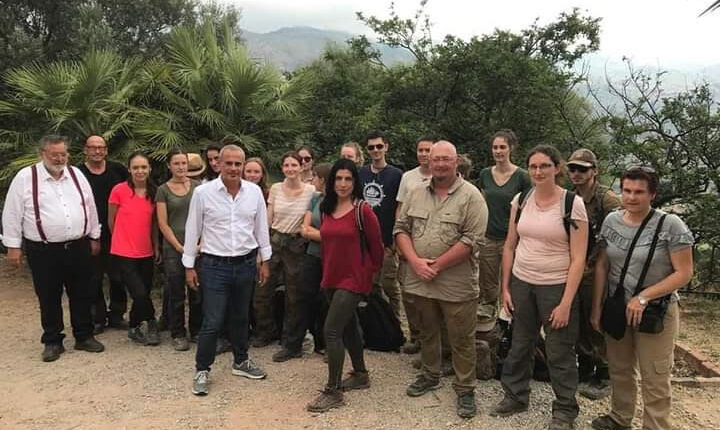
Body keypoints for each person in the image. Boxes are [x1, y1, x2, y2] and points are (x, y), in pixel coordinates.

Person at [491, 145, 588, 430]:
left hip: (556, 285)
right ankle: (516, 395)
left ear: (557, 168)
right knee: (520, 342)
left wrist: (567, 302)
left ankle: (565, 410)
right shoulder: (521, 200)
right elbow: (510, 245)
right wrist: (505, 288)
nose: (538, 172)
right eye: (533, 166)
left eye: (545, 166)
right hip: (522, 282)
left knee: (559, 349)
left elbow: (579, 258)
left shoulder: (572, 204)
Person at [590, 167, 693, 430]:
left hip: (655, 310)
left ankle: (656, 425)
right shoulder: (612, 221)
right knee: (620, 367)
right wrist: (596, 307)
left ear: (652, 194)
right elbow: (602, 265)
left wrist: (644, 297)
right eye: (627, 191)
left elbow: (684, 273)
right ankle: (620, 417)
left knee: (654, 376)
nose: (632, 197)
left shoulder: (670, 225)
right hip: (617, 305)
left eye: (639, 192)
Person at [395, 140, 489, 419]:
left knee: (461, 338)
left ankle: (465, 389)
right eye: (435, 159)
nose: (439, 164)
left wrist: (436, 265)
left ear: (456, 161)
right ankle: (430, 374)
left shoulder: (472, 197)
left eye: (445, 159)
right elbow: (401, 228)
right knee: (427, 332)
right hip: (420, 278)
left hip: (456, 283)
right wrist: (414, 261)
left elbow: (472, 240)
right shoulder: (415, 192)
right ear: (429, 162)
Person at [2, 135, 105, 362]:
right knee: (48, 295)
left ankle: (84, 336)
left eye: (63, 154)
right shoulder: (26, 178)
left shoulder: (76, 175)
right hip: (43, 249)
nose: (59, 159)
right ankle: (52, 340)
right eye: (54, 154)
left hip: (78, 245)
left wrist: (95, 235)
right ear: (43, 154)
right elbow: (12, 212)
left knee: (81, 292)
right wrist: (13, 245)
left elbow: (90, 206)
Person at [184, 144, 271, 396]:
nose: (234, 168)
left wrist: (265, 260)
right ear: (219, 164)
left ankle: (241, 361)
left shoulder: (254, 192)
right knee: (212, 320)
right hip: (214, 266)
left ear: (243, 165)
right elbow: (193, 229)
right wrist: (189, 265)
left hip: (245, 264)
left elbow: (261, 228)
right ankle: (202, 369)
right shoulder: (203, 193)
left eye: (238, 164)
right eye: (229, 163)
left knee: (241, 316)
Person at [306, 158, 384, 412]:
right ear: (331, 181)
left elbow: (377, 249)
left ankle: (333, 390)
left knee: (331, 330)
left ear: (355, 182)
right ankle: (360, 374)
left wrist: (366, 275)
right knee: (348, 326)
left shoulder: (363, 210)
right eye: (338, 178)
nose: (342, 183)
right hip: (331, 275)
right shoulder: (327, 207)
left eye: (348, 179)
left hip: (353, 279)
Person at [566, 148, 621, 399]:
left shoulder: (606, 200)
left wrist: (594, 265)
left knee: (595, 318)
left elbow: (614, 238)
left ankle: (604, 371)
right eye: (572, 169)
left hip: (599, 266)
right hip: (576, 266)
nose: (576, 174)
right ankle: (585, 365)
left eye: (582, 169)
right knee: (577, 319)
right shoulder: (570, 198)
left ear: (594, 171)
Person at [476, 130, 532, 365]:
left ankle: (515, 338)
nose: (498, 151)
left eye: (502, 147)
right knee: (488, 290)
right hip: (488, 237)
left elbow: (529, 206)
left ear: (511, 148)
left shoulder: (522, 177)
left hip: (513, 240)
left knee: (511, 288)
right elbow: (479, 201)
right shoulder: (485, 174)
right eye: (495, 147)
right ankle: (489, 341)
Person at [255, 152, 315, 359]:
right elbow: (268, 217)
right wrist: (262, 247)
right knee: (263, 289)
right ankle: (266, 331)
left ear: (301, 167)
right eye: (286, 165)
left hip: (297, 244)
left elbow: (312, 218)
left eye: (294, 165)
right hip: (275, 240)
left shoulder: (311, 191)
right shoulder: (276, 188)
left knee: (294, 295)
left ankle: (291, 342)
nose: (290, 169)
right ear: (282, 168)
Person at [278, 162, 332, 361]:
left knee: (327, 301)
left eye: (316, 177)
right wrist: (322, 234)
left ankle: (327, 345)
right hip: (312, 255)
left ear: (323, 180)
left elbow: (337, 235)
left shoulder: (339, 202)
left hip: (332, 259)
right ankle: (293, 345)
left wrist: (318, 234)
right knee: (301, 298)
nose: (313, 180)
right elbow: (304, 228)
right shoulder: (316, 198)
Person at [77, 135, 129, 334]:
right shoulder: (77, 173)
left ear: (106, 150)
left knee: (119, 277)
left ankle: (117, 314)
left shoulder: (118, 170)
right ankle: (97, 317)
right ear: (86, 150)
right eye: (93, 148)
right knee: (93, 277)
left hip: (117, 233)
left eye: (101, 148)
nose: (97, 151)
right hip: (89, 235)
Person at [109, 152, 161, 346]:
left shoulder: (154, 192)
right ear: (129, 169)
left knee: (144, 292)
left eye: (143, 167)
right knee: (138, 293)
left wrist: (156, 246)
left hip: (146, 250)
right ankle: (152, 321)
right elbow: (111, 219)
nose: (140, 171)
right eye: (136, 167)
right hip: (123, 251)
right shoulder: (119, 190)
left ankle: (133, 326)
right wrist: (120, 239)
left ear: (149, 169)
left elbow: (155, 223)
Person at [156, 151, 202, 351]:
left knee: (197, 290)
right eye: (176, 163)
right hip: (174, 247)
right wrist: (179, 247)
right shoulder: (163, 190)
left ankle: (197, 330)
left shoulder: (198, 188)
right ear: (169, 165)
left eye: (184, 163)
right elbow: (162, 223)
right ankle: (178, 333)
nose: (181, 167)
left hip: (198, 246)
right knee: (176, 291)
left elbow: (207, 217)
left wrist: (199, 244)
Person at [359, 131, 404, 320]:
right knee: (370, 284)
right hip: (364, 240)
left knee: (389, 284)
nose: (375, 150)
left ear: (386, 146)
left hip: (386, 239)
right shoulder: (362, 173)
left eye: (379, 146)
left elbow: (400, 207)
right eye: (371, 147)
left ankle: (396, 322)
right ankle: (376, 322)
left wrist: (396, 238)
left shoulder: (397, 175)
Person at [395, 137, 434, 354]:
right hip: (409, 238)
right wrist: (399, 239)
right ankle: (416, 335)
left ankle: (432, 340)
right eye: (420, 150)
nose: (424, 154)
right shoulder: (408, 177)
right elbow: (399, 208)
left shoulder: (440, 177)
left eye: (428, 150)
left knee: (429, 293)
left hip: (431, 240)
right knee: (408, 292)